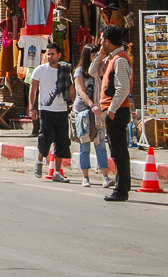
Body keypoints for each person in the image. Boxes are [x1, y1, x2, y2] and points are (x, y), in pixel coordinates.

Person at [92, 25, 134, 201]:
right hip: (113, 111)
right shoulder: (110, 58)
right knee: (116, 150)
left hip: (117, 111)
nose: (100, 43)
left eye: (102, 40)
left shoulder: (120, 60)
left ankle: (121, 189)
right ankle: (123, 186)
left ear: (107, 41)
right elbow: (92, 71)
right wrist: (101, 55)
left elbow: (123, 88)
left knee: (119, 151)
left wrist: (111, 110)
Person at [28, 42, 73, 182]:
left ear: (59, 55)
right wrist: (32, 108)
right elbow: (33, 90)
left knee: (61, 141)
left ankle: (57, 172)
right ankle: (39, 161)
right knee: (45, 137)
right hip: (45, 110)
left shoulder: (65, 70)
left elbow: (71, 88)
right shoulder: (40, 70)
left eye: (53, 54)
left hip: (61, 110)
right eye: (48, 53)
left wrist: (73, 103)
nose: (50, 56)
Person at [74, 44, 113, 188]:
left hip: (98, 112)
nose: (95, 57)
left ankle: (105, 176)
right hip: (84, 111)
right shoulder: (79, 72)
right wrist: (92, 105)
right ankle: (85, 177)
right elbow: (81, 91)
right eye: (92, 55)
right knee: (84, 145)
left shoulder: (100, 71)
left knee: (100, 144)